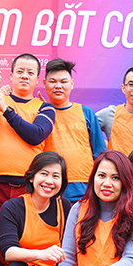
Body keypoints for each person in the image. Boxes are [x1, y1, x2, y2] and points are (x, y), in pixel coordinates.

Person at [0, 54, 56, 207]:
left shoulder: (45, 107)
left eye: (30, 73)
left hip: (28, 185)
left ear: (37, 80)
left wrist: (6, 110)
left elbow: (36, 135)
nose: (24, 76)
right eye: (20, 71)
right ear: (11, 76)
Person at [42, 58, 107, 202]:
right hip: (49, 187)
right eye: (53, 81)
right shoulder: (39, 113)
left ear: (71, 84)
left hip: (84, 189)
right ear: (44, 84)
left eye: (63, 81)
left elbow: (100, 153)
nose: (58, 86)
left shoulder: (86, 112)